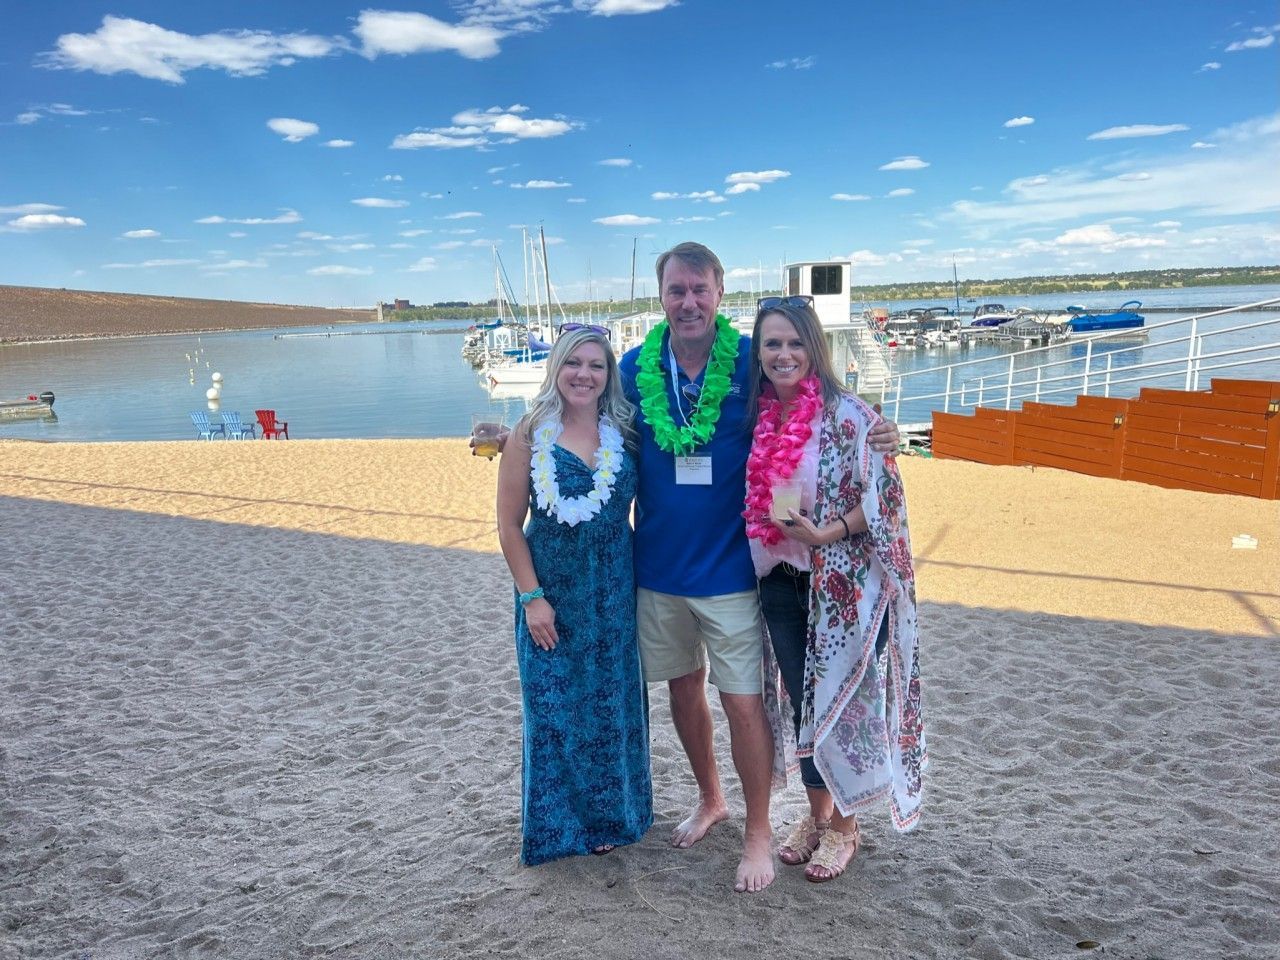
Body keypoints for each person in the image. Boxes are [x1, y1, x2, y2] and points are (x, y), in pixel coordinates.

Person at [616, 242, 902, 892]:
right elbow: (587, 418)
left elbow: (814, 394)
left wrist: (880, 431)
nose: (688, 302)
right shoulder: (636, 367)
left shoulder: (747, 361)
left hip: (735, 572)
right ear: (661, 296)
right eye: (676, 291)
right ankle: (713, 800)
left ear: (719, 293)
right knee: (682, 691)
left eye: (699, 290)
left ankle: (758, 831)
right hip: (657, 568)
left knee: (746, 704)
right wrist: (521, 433)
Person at [743, 296, 925, 883]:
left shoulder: (852, 416)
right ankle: (818, 815)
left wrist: (828, 532)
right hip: (779, 581)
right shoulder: (757, 416)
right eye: (772, 343)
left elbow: (883, 504)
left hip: (841, 591)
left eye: (795, 342)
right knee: (803, 706)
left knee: (843, 703)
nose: (784, 354)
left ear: (814, 348)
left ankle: (847, 827)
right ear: (759, 352)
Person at [495, 327, 652, 865]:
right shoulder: (528, 434)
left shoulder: (626, 432)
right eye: (573, 363)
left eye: (596, 365)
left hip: (613, 589)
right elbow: (509, 523)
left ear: (610, 375)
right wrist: (531, 596)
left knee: (610, 706)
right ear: (556, 368)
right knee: (554, 707)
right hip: (551, 592)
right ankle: (558, 825)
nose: (584, 374)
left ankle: (612, 819)